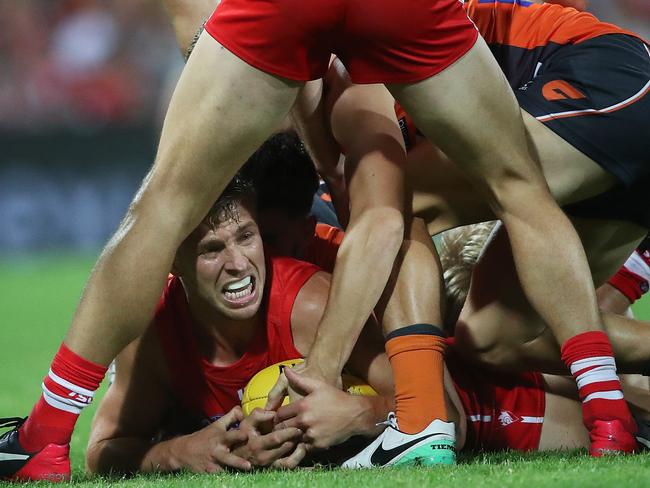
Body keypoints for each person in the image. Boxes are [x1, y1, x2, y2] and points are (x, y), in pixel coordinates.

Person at [0, 0, 634, 479]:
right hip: (413, 18)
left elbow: (382, 221)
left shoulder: (339, 98)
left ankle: (45, 437)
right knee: (515, 190)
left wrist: (321, 367)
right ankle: (608, 420)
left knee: (165, 202)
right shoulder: (349, 106)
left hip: (579, 72)